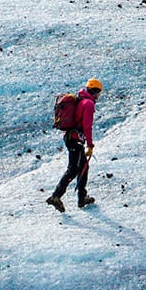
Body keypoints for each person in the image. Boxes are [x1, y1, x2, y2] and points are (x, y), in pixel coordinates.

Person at [47, 79, 102, 212]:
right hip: (75, 140)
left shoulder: (81, 100)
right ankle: (56, 196)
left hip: (72, 138)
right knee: (73, 169)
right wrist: (90, 145)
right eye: (99, 92)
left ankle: (82, 197)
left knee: (83, 166)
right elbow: (87, 126)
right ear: (96, 91)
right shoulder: (88, 104)